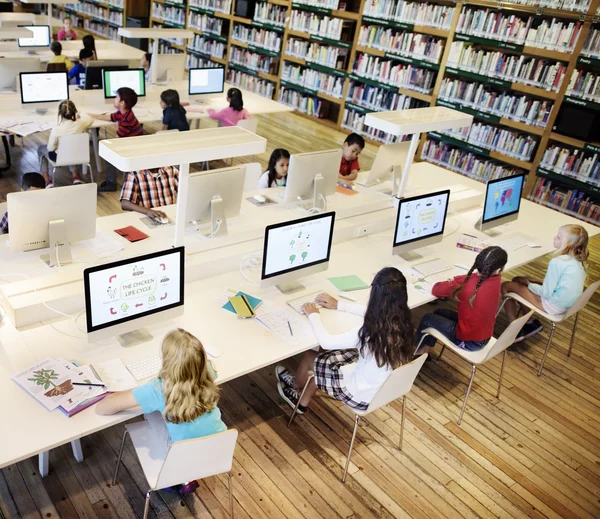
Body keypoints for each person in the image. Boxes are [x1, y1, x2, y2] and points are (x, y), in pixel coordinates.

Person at [96, 328, 227, 495]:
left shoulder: (158, 388)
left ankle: (177, 479)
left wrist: (133, 393)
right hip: (219, 449)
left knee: (150, 412)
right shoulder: (207, 370)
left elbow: (103, 408)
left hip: (181, 457)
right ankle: (185, 476)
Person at [275, 267, 414, 414]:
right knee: (328, 356)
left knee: (311, 356)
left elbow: (326, 342)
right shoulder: (403, 319)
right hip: (382, 389)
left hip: (359, 396)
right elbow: (374, 312)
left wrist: (313, 315)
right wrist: (339, 305)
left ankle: (294, 385)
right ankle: (303, 402)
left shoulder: (369, 330)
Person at [501, 224, 589, 340]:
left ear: (567, 244)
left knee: (506, 286)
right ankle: (529, 322)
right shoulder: (580, 261)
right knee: (517, 280)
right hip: (566, 305)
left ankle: (515, 331)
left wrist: (528, 284)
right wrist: (535, 281)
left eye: (558, 237)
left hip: (552, 305)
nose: (554, 238)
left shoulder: (557, 262)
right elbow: (563, 284)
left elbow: (546, 293)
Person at [415, 246, 508, 354]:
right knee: (438, 312)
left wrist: (454, 281)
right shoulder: (496, 279)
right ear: (498, 270)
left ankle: (416, 351)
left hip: (469, 342)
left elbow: (437, 290)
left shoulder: (468, 287)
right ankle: (424, 349)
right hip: (484, 334)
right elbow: (473, 278)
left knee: (427, 318)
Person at [90, 87, 143, 192]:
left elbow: (118, 138)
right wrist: (91, 115)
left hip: (132, 147)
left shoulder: (127, 119)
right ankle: (110, 181)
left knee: (108, 154)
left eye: (116, 97)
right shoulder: (124, 113)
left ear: (122, 103)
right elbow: (110, 117)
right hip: (129, 142)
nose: (114, 99)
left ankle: (111, 183)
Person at [38, 100, 93, 187]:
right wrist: (80, 113)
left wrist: (57, 147)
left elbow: (50, 148)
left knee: (41, 149)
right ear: (74, 111)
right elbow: (90, 119)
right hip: (77, 155)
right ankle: (75, 177)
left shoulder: (56, 129)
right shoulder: (80, 124)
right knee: (72, 149)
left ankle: (47, 181)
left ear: (60, 114)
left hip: (60, 158)